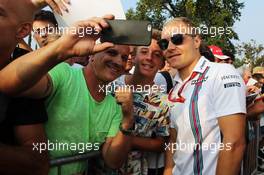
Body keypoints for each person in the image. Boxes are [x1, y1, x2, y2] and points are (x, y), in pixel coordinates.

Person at [158, 17, 246, 175]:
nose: (170, 48)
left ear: (196, 41)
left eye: (177, 39)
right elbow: (173, 142)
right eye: (164, 44)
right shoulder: (174, 90)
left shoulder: (221, 73)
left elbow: (234, 142)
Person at [110, 32, 170, 175]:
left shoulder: (163, 102)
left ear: (162, 63)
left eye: (156, 54)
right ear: (134, 56)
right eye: (144, 52)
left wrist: (123, 141)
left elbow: (162, 143)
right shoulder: (111, 84)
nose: (149, 58)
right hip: (98, 168)